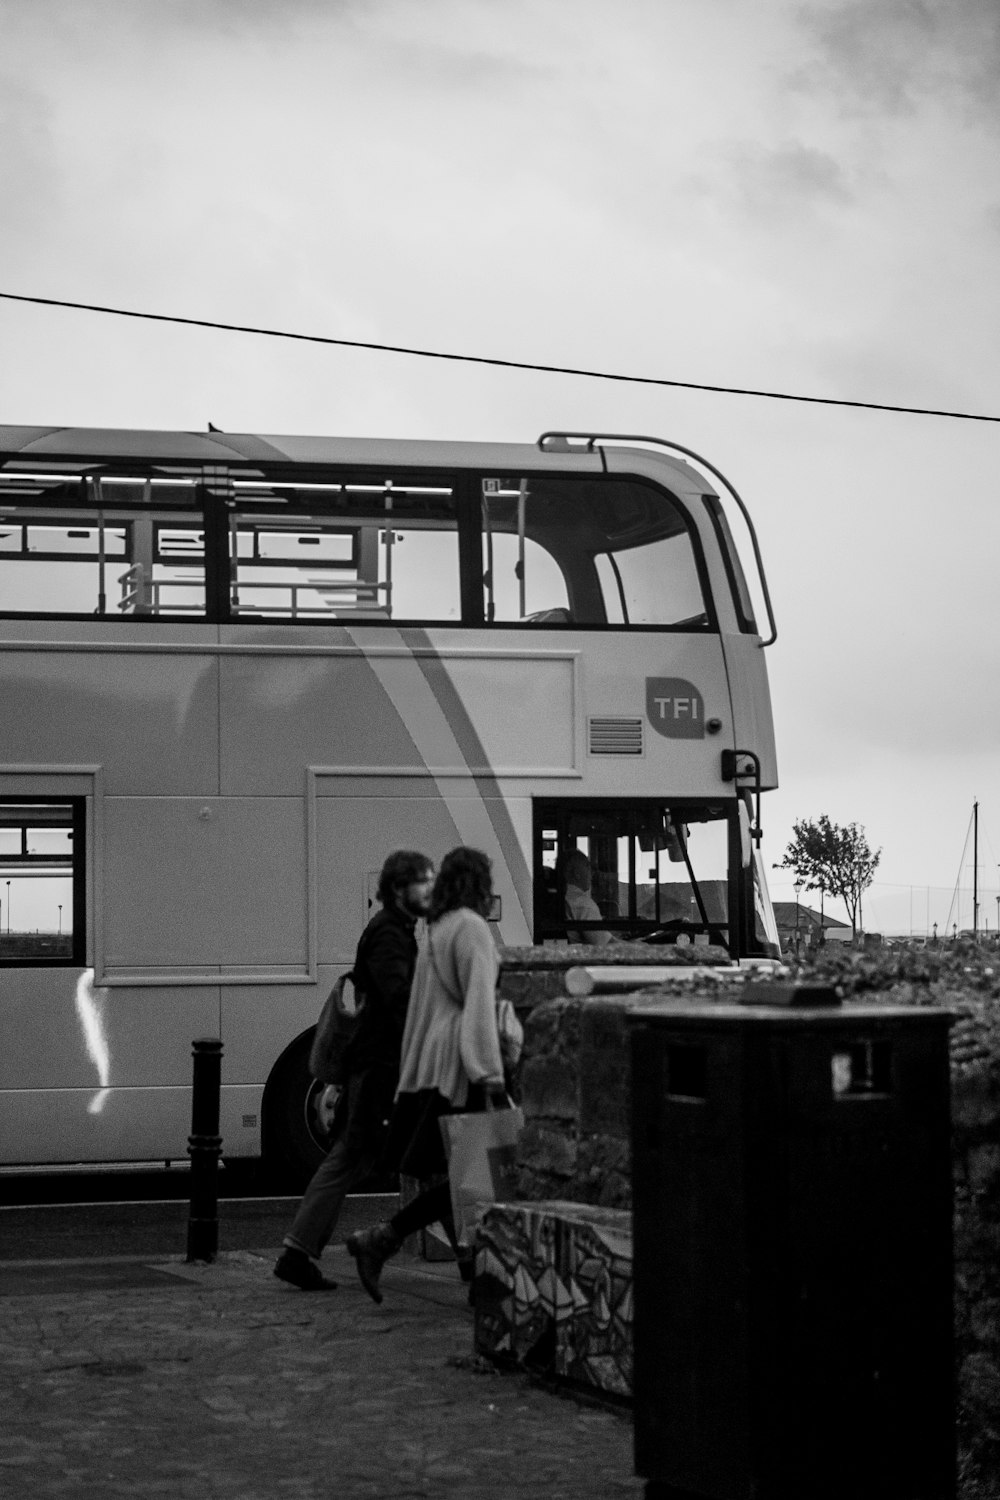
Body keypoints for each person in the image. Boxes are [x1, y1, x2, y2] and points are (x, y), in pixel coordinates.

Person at [346, 846, 521, 1304]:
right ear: (480, 884)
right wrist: (492, 1076)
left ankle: (455, 1265)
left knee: (460, 1175)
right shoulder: (472, 928)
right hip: (462, 1067)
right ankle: (390, 1240)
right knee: (478, 1173)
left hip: (432, 1065)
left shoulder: (438, 928)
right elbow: (479, 1006)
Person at [273, 849, 435, 1291]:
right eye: (423, 882)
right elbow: (397, 998)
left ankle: (302, 1250)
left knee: (357, 1157)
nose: (430, 890)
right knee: (352, 1157)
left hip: (379, 1064)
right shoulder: (388, 935)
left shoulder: (394, 929)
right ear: (400, 888)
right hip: (379, 1067)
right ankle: (299, 1251)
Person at [562, 848, 614, 946]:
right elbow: (606, 944)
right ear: (577, 874)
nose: (592, 874)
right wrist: (640, 946)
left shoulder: (566, 896)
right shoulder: (581, 903)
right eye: (587, 867)